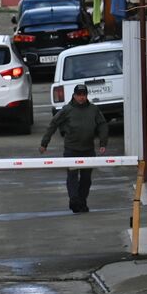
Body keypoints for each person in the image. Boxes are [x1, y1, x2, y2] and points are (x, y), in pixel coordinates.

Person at [39, 83, 108, 213]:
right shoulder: (67, 110)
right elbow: (53, 124)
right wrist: (44, 143)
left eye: (84, 95)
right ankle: (74, 200)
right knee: (72, 176)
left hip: (88, 150)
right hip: (72, 150)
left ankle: (81, 202)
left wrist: (103, 143)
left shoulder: (94, 110)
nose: (81, 97)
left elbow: (102, 125)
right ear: (74, 95)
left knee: (86, 179)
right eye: (79, 95)